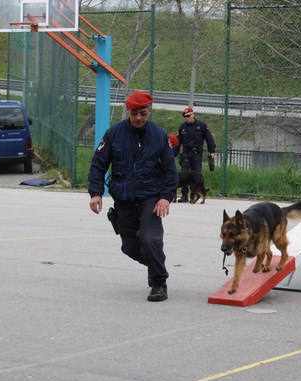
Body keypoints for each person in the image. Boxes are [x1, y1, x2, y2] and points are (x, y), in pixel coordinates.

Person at [88, 91, 179, 302]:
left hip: (151, 198)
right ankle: (157, 262)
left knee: (150, 239)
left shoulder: (159, 136)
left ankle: (158, 283)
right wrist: (95, 193)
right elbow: (98, 165)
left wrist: (166, 197)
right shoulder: (113, 134)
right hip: (124, 198)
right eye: (134, 113)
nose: (139, 117)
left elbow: (170, 170)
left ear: (149, 111)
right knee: (129, 247)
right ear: (128, 112)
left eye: (143, 113)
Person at [175, 107, 217, 203]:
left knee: (196, 175)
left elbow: (209, 139)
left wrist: (212, 151)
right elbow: (177, 143)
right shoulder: (182, 127)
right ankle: (184, 195)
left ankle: (193, 196)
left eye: (188, 115)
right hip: (186, 153)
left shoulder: (201, 125)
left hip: (197, 154)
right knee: (184, 175)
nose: (187, 118)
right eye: (185, 116)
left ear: (193, 114)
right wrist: (172, 154)